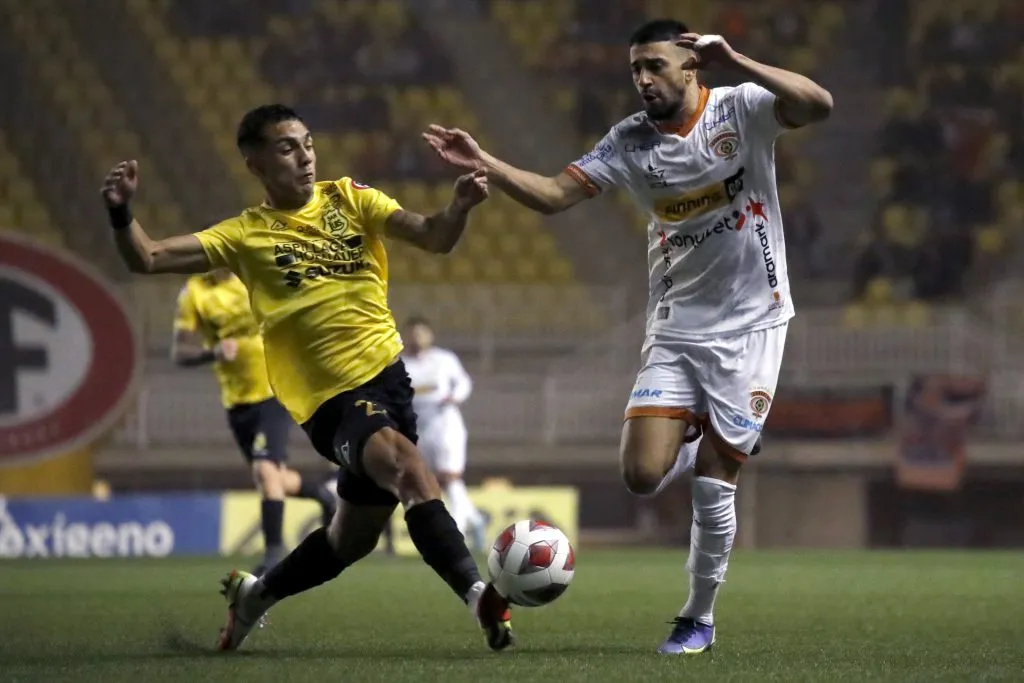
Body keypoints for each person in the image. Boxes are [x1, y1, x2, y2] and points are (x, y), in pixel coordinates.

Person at [424, 19, 833, 655]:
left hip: (755, 324)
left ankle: (697, 616)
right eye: (635, 68)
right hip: (675, 326)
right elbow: (557, 195)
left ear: (692, 67)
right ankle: (691, 422)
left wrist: (738, 58)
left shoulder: (741, 108)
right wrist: (486, 163)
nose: (643, 79)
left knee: (712, 480)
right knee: (641, 473)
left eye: (656, 66)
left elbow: (818, 105)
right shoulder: (630, 141)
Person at [101, 104, 513, 653]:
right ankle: (478, 594)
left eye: (308, 142)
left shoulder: (350, 198)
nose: (305, 155)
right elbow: (147, 258)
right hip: (330, 402)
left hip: (389, 384)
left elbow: (434, 237)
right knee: (410, 468)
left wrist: (458, 207)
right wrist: (122, 213)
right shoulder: (246, 234)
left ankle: (254, 596)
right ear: (255, 163)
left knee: (351, 540)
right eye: (287, 147)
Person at [172, 266, 338, 575]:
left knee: (264, 470)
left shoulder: (256, 278)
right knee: (272, 476)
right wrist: (213, 353)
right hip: (236, 402)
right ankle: (322, 494)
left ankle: (273, 555)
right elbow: (179, 352)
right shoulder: (194, 292)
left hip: (274, 390)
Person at [400, 316, 486, 551]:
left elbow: (464, 382)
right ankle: (476, 520)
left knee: (450, 476)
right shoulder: (401, 363)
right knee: (431, 481)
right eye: (412, 333)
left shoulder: (444, 359)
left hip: (445, 422)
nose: (417, 337)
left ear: (430, 335)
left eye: (421, 332)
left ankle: (454, 534)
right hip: (419, 427)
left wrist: (455, 396)